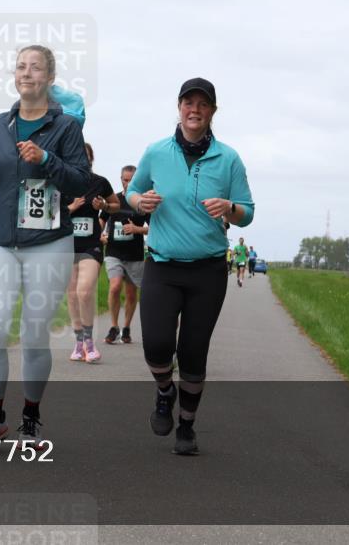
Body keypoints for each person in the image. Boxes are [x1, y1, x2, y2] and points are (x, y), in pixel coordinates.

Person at [0, 45, 90, 453]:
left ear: (50, 78)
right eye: (20, 66)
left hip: (49, 242)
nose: (26, 73)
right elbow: (0, 177)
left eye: (35, 67)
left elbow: (79, 182)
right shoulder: (0, 124)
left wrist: (46, 157)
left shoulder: (67, 126)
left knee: (34, 333)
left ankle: (31, 418)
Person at [128, 77, 254, 455]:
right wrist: (139, 203)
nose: (194, 110)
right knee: (157, 344)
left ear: (213, 111)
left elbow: (247, 212)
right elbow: (132, 191)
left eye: (203, 104)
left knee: (194, 351)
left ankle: (187, 426)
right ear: (179, 108)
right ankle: (165, 392)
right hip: (163, 265)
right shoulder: (156, 151)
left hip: (208, 271)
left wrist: (230, 208)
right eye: (188, 103)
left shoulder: (228, 158)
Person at [65, 143, 119, 364]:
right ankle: (79, 342)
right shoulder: (61, 181)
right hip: (65, 246)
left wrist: (104, 205)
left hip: (90, 245)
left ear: (91, 159)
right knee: (71, 295)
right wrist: (70, 208)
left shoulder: (100, 182)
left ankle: (89, 342)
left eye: (85, 156)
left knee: (84, 291)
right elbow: (48, 213)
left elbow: (116, 205)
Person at [99, 165, 149, 344]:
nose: (127, 183)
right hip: (114, 252)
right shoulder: (115, 200)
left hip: (134, 254)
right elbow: (102, 218)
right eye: (124, 179)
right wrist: (100, 234)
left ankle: (126, 327)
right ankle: (113, 326)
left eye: (131, 180)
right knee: (114, 286)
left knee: (130, 293)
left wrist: (136, 229)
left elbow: (152, 228)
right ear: (120, 179)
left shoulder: (142, 203)